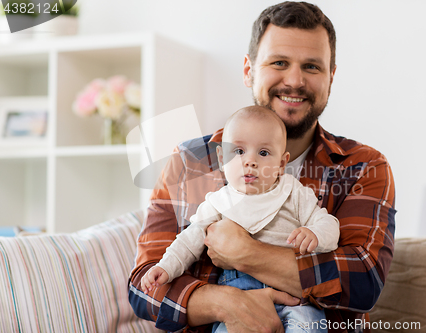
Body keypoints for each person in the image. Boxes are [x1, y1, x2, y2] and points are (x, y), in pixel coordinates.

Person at [129, 2, 396, 333]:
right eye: (279, 62)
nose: (295, 80)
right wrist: (229, 304)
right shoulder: (189, 161)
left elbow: (363, 283)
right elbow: (144, 288)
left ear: (331, 77)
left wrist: (245, 252)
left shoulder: (362, 167)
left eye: (312, 66)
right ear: (248, 70)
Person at [140, 106, 340, 332]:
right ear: (221, 157)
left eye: (263, 153)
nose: (250, 161)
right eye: (238, 151)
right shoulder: (218, 202)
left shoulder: (294, 193)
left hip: (295, 299)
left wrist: (315, 234)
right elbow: (189, 241)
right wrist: (166, 267)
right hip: (238, 295)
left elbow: (329, 225)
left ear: (282, 164)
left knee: (309, 327)